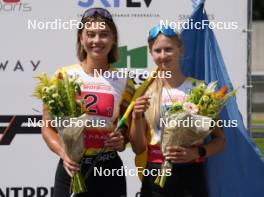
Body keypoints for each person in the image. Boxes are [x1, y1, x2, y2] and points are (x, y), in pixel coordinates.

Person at [41, 8, 134, 197]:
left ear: (113, 38)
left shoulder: (125, 82)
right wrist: (64, 154)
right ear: (81, 38)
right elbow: (47, 127)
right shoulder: (63, 76)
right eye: (90, 34)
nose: (97, 41)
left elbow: (127, 130)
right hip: (71, 168)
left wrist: (121, 141)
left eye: (104, 34)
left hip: (109, 170)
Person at [129, 25, 225, 197]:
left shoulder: (199, 89)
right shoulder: (146, 91)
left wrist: (197, 152)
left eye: (168, 49)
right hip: (155, 172)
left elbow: (220, 140)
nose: (163, 55)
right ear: (151, 54)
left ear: (180, 51)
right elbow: (138, 148)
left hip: (191, 172)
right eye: (157, 50)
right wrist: (136, 117)